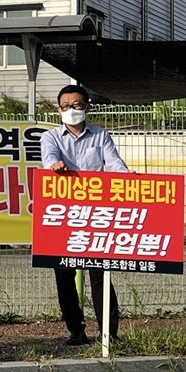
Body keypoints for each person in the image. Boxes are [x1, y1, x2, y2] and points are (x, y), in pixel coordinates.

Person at [40, 83, 128, 346]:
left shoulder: (100, 136)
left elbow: (114, 164)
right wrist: (54, 166)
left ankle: (109, 333)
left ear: (87, 106)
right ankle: (75, 330)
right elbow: (49, 158)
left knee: (101, 274)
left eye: (76, 105)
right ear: (58, 109)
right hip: (63, 214)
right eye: (65, 106)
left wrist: (128, 179)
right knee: (64, 274)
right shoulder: (51, 137)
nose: (71, 110)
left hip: (95, 215)